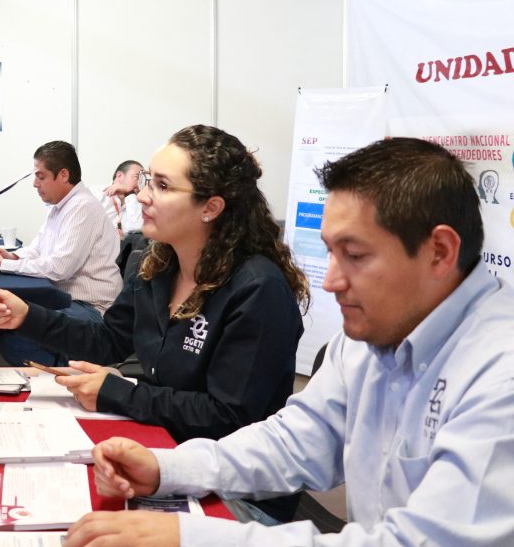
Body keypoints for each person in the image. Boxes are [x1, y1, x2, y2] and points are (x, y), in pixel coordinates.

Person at [73, 136, 514, 547]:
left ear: (439, 251)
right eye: (331, 253)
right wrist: (167, 467)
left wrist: (194, 538)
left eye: (356, 256)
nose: (333, 282)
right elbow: (295, 440)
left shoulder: (499, 372)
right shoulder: (373, 332)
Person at [0, 125, 307, 522]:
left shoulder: (258, 289)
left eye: (163, 186)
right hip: (167, 455)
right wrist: (28, 316)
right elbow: (108, 340)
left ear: (211, 207)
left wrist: (116, 392)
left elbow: (228, 417)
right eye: (149, 181)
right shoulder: (158, 264)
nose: (143, 194)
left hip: (236, 494)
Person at [0, 140, 122, 367]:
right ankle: (57, 368)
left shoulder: (82, 207)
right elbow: (38, 249)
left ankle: (68, 371)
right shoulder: (59, 207)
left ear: (63, 175)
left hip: (93, 308)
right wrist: (11, 257)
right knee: (6, 322)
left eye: (41, 176)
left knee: (15, 332)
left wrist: (4, 266)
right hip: (68, 301)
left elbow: (59, 269)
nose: (35, 184)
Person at [96, 159, 144, 237]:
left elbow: (137, 230)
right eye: (137, 177)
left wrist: (130, 193)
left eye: (143, 179)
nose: (140, 183)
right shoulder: (96, 194)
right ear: (119, 176)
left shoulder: (137, 202)